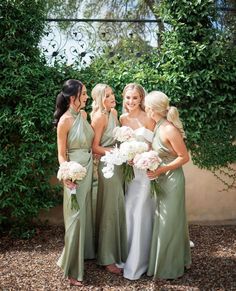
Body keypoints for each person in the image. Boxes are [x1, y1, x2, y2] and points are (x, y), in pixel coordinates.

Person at [144, 91, 191, 280]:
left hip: (172, 180)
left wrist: (161, 170)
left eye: (146, 106)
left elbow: (184, 157)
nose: (144, 109)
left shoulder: (169, 129)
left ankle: (169, 268)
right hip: (161, 178)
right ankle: (169, 261)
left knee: (169, 223)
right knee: (163, 222)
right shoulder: (157, 126)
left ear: (151, 109)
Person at [54, 79, 95, 286]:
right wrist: (67, 174)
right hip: (75, 173)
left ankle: (78, 258)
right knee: (75, 218)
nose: (87, 97)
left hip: (89, 168)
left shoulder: (84, 115)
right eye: (84, 93)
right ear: (73, 97)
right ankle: (71, 271)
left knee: (85, 215)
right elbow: (62, 155)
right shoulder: (65, 121)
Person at [119, 83, 156, 280]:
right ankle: (126, 254)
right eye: (127, 98)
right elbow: (121, 145)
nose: (131, 101)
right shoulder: (122, 118)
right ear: (123, 98)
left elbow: (153, 145)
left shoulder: (149, 117)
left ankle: (141, 260)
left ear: (141, 99)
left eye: (134, 98)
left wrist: (143, 157)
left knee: (141, 211)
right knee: (128, 210)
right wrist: (127, 157)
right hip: (129, 173)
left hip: (144, 171)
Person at [91, 83, 127, 275]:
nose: (112, 97)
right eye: (106, 96)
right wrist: (114, 151)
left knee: (118, 207)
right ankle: (107, 258)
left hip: (119, 164)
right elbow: (94, 147)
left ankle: (118, 251)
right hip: (108, 167)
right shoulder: (99, 117)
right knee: (110, 210)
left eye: (112, 94)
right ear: (99, 99)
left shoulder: (113, 113)